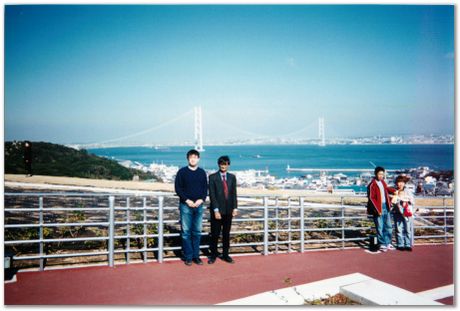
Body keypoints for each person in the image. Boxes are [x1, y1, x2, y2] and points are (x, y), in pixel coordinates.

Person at [174, 149, 208, 266]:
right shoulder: (182, 172)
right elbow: (178, 188)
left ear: (198, 159)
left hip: (199, 205)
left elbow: (205, 189)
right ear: (188, 159)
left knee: (197, 232)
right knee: (186, 232)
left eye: (195, 157)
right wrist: (187, 200)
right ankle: (188, 257)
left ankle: (196, 256)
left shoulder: (202, 172)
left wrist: (201, 199)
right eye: (191, 157)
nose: (193, 159)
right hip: (185, 205)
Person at [208, 156, 238, 264]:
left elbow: (234, 193)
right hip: (217, 211)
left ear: (228, 165)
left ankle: (226, 255)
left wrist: (235, 208)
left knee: (226, 234)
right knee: (215, 234)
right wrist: (216, 210)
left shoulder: (232, 177)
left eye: (225, 164)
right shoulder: (212, 177)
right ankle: (213, 255)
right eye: (221, 164)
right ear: (218, 165)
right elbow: (212, 195)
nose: (223, 166)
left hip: (229, 210)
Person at [367, 166, 396, 252]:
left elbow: (386, 190)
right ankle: (382, 243)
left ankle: (388, 243)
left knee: (389, 226)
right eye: (379, 174)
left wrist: (394, 190)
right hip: (378, 208)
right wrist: (377, 210)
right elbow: (371, 198)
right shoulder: (372, 185)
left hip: (386, 206)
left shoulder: (383, 182)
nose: (381, 176)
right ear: (375, 174)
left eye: (382, 174)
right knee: (380, 227)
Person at [391, 175, 416, 251]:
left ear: (404, 183)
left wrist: (405, 200)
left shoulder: (408, 191)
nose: (400, 184)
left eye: (402, 182)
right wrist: (397, 200)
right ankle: (400, 244)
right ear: (396, 183)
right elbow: (393, 202)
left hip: (407, 212)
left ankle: (407, 245)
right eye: (399, 182)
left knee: (408, 229)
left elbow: (412, 201)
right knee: (399, 229)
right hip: (397, 212)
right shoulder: (395, 191)